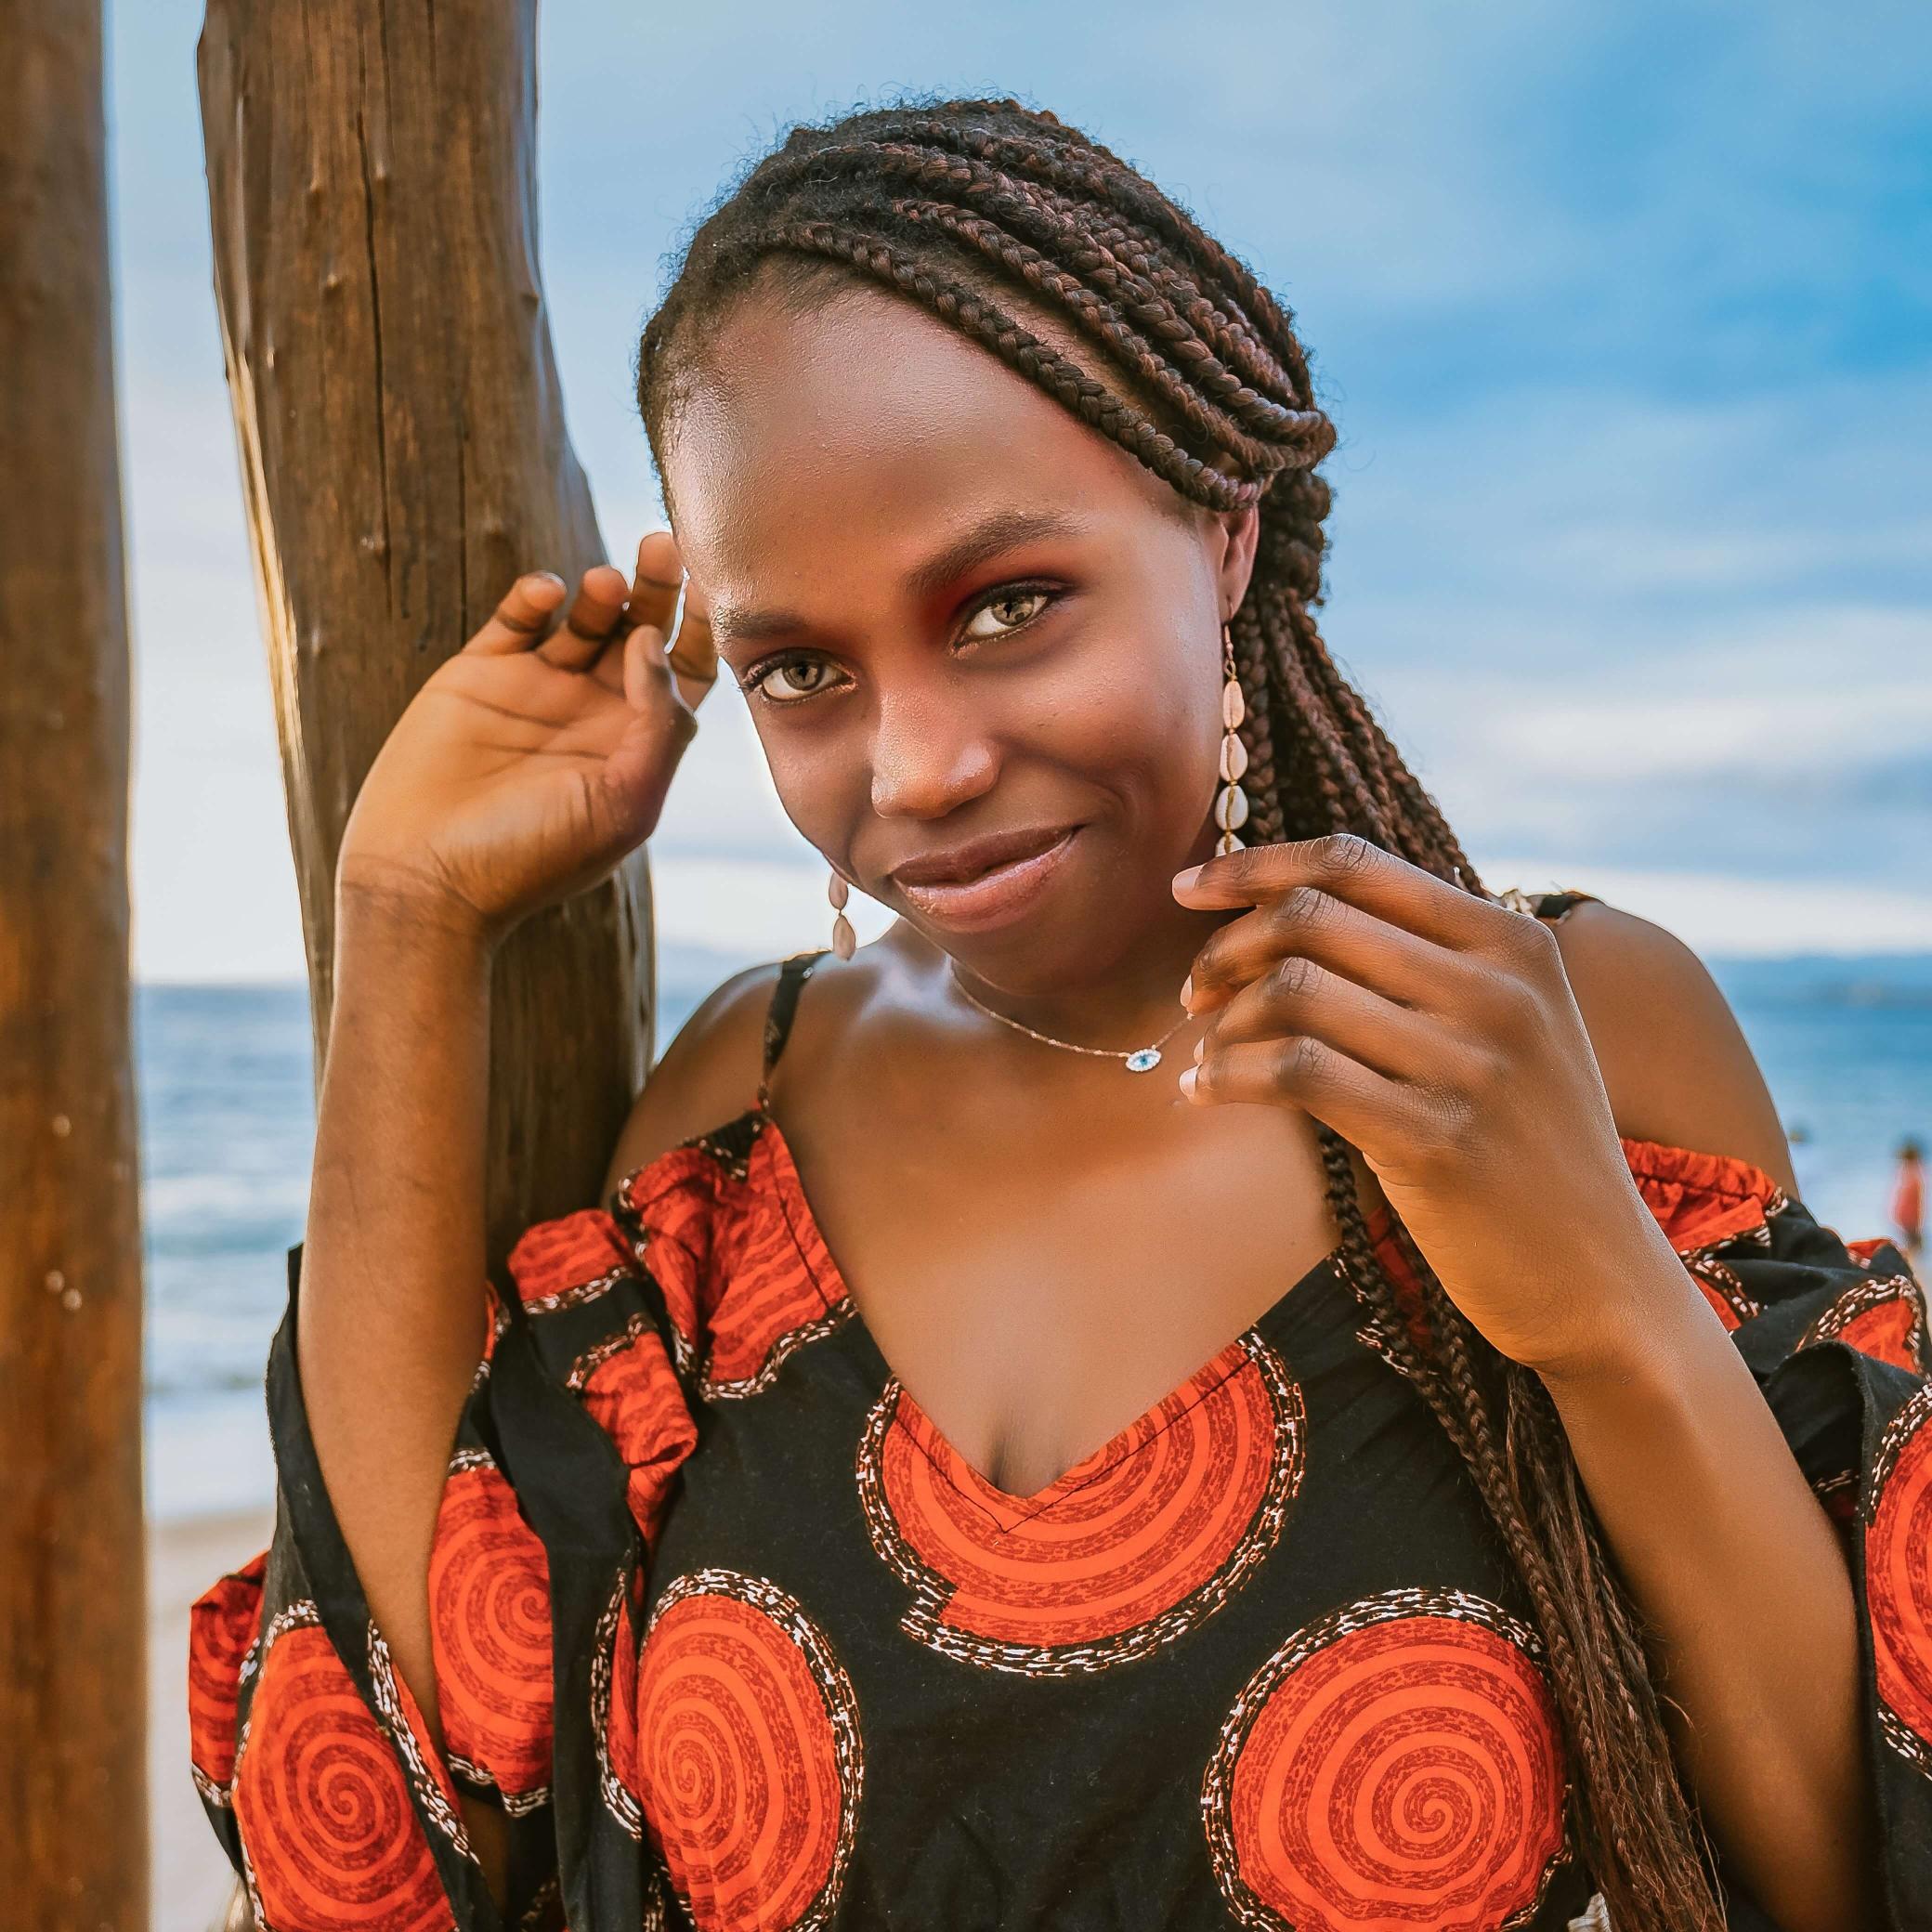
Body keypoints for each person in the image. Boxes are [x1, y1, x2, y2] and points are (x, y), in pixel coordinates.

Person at [186, 98, 1932, 1932]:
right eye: (802, 668)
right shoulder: (746, 1095)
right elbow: (459, 1714)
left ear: (1222, 529)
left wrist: (1596, 1304)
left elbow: (1833, 1862)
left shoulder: (1570, 1022)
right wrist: (405, 923)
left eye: (1008, 603)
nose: (920, 766)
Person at [1896, 1138, 1925, 1264]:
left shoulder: (1913, 1177)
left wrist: (1915, 1224)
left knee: (1910, 1255)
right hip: (1908, 1223)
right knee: (1910, 1254)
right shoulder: (1912, 1174)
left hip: (1910, 1224)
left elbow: (1916, 1204)